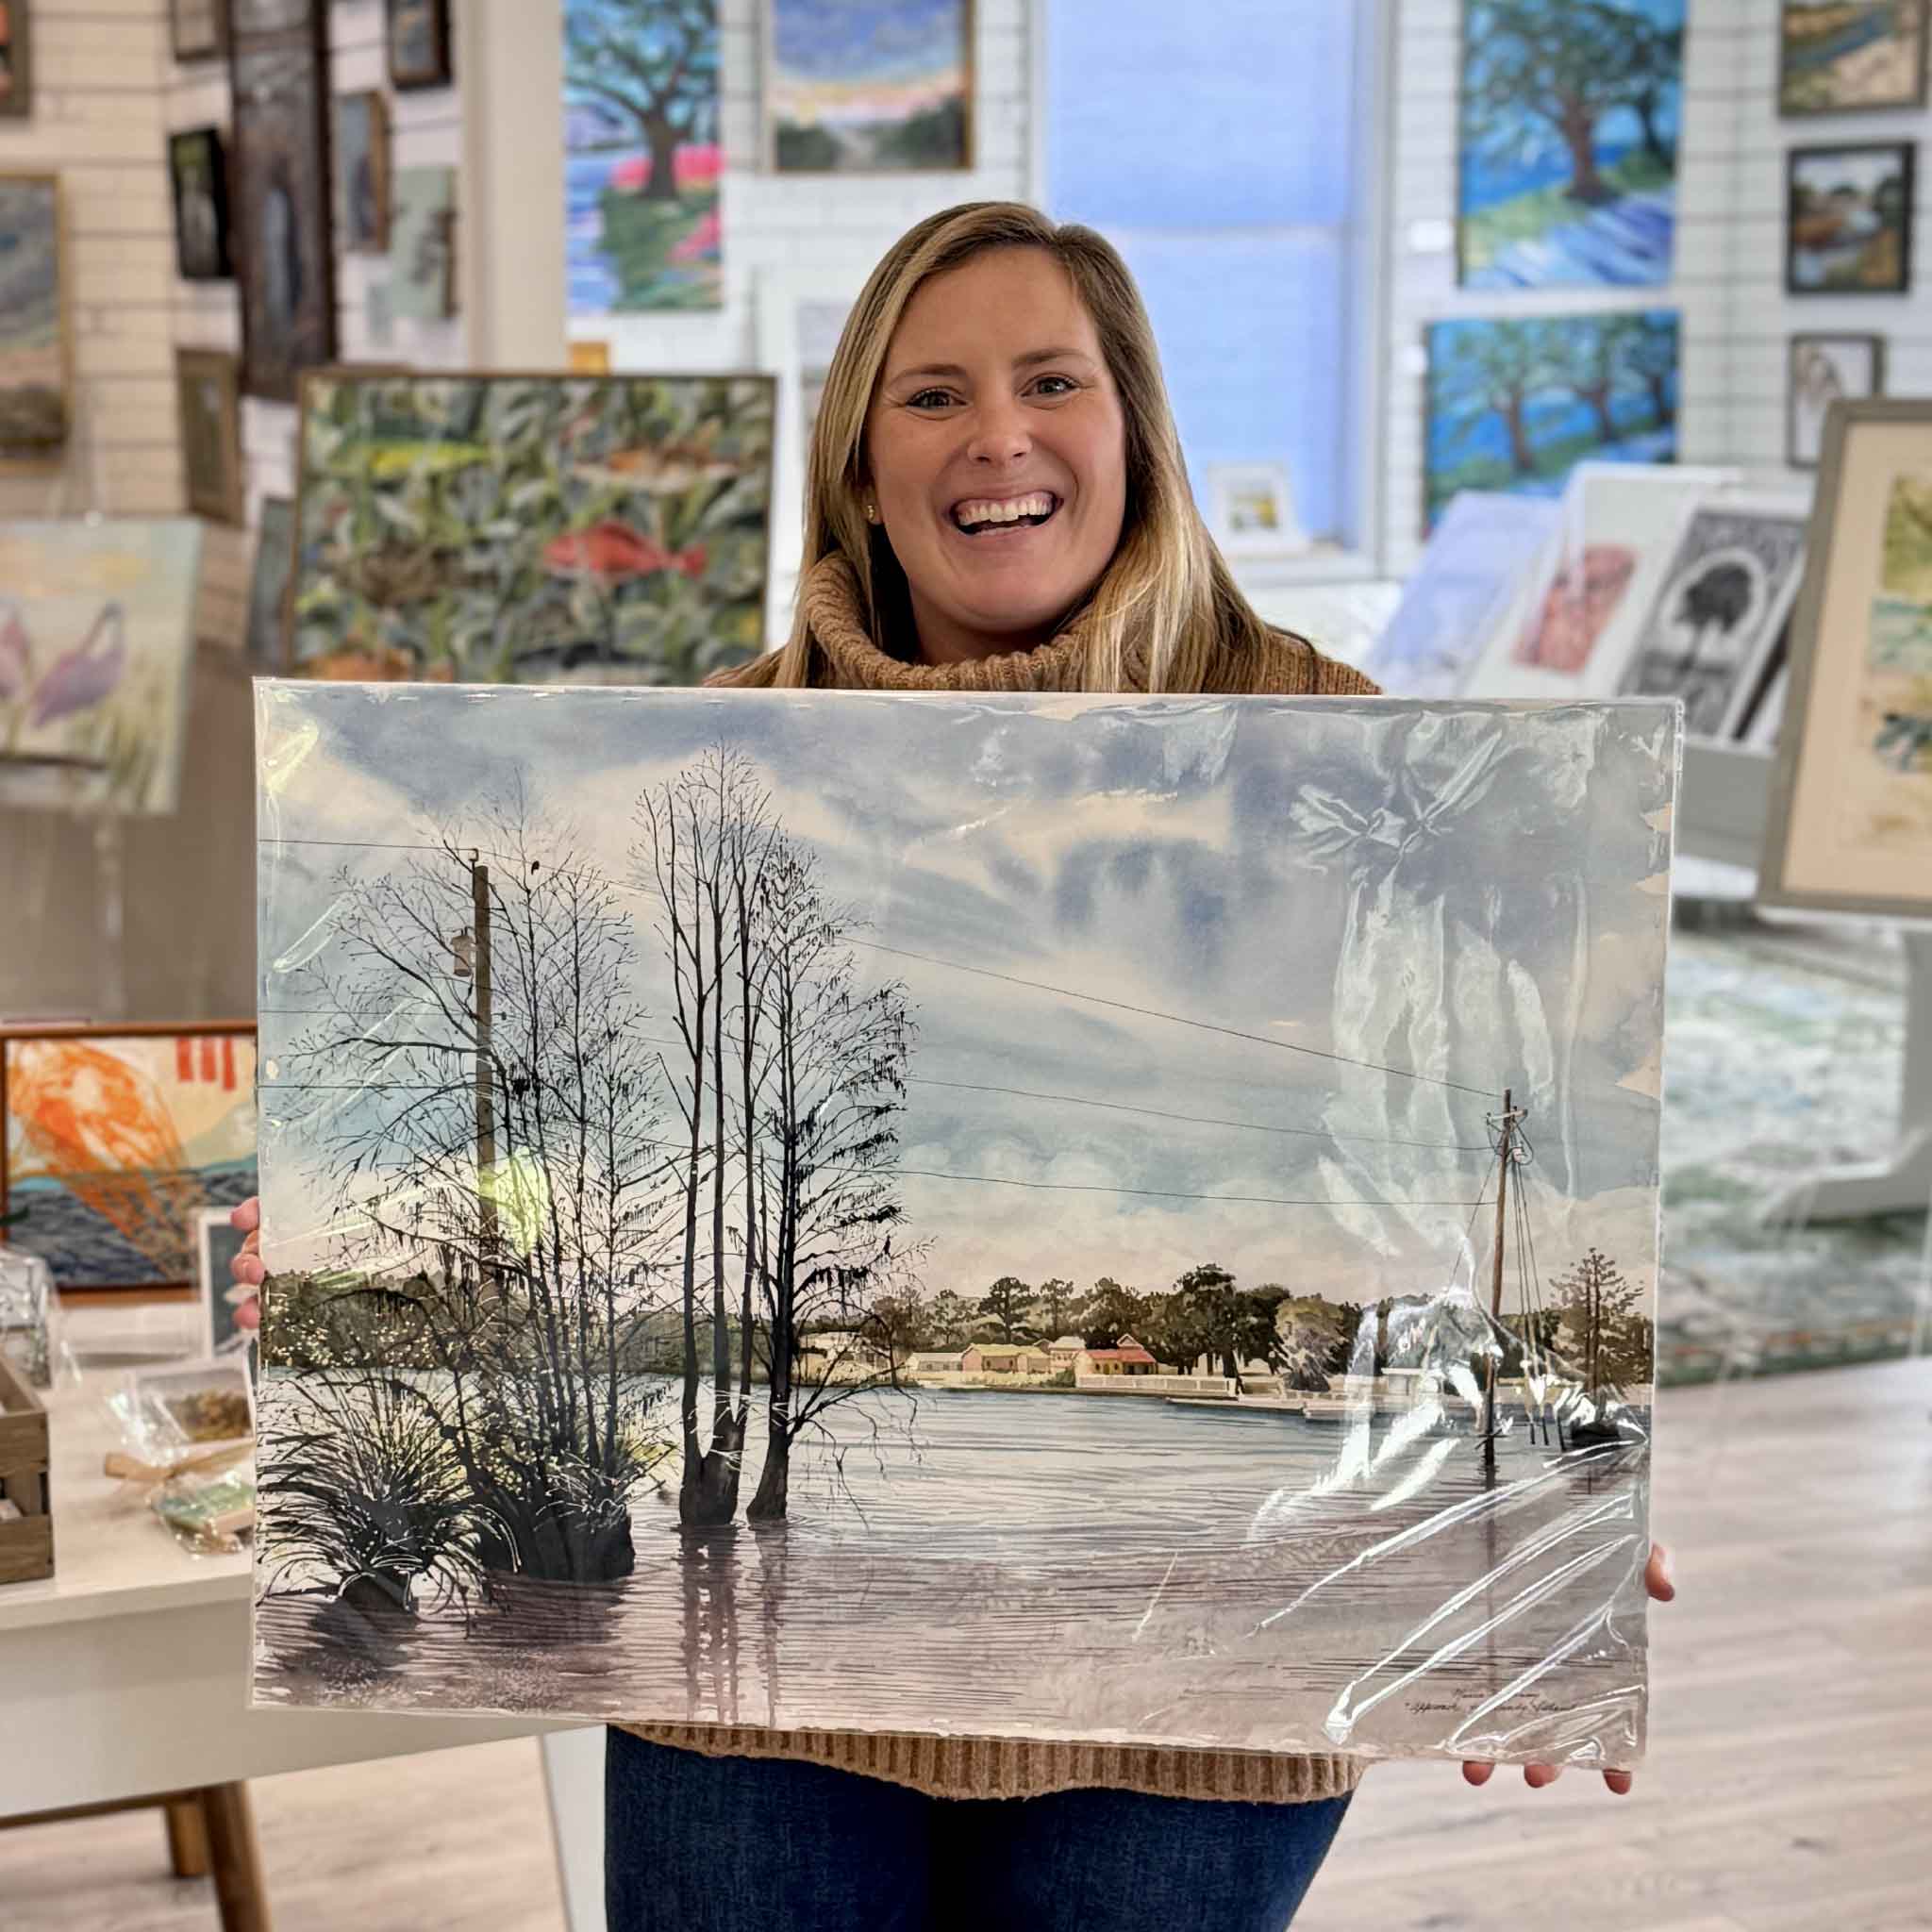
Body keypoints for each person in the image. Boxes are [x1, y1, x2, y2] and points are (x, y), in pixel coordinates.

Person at [228, 201, 1675, 1932]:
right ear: (857, 464)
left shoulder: (1353, 753)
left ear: (1133, 426)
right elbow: (558, 1136)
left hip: (1196, 1717)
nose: (999, 439)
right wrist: (367, 1230)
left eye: (1051, 381)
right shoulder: (695, 755)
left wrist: (1565, 1532)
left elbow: (1500, 1151)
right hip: (749, 1713)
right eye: (932, 397)